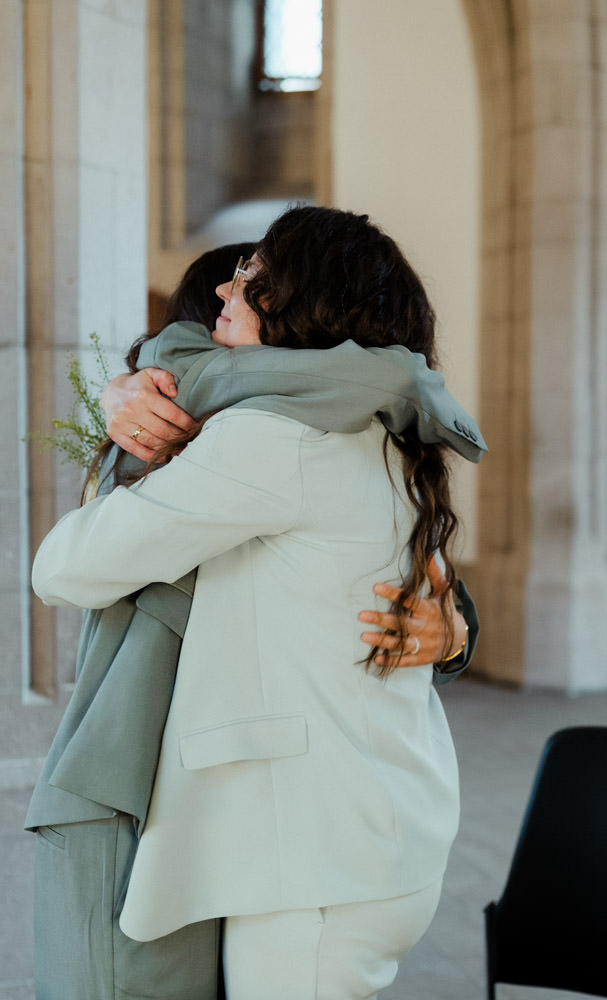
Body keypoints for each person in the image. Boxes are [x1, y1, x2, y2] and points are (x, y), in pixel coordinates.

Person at [32, 207, 474, 998]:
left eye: (256, 275)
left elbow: (66, 568)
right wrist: (127, 394)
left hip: (313, 860)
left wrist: (142, 434)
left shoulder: (274, 437)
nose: (234, 284)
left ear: (307, 302)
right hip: (366, 837)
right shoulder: (381, 426)